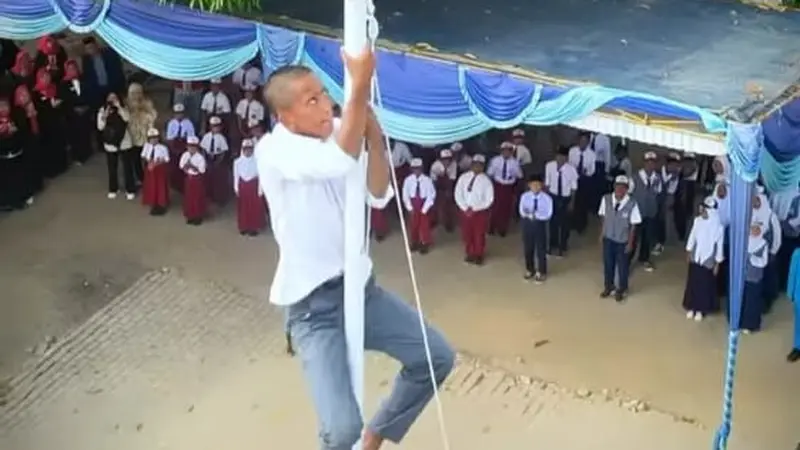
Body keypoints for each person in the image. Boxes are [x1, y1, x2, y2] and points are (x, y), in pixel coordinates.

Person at [254, 49, 454, 450]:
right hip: (315, 308)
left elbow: (377, 193)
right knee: (340, 428)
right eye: (311, 100)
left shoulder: (342, 130)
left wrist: (376, 144)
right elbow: (334, 161)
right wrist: (360, 85)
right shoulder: (275, 150)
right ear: (286, 117)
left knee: (436, 357)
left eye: (324, 92)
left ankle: (376, 435)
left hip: (362, 291)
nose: (326, 103)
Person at [599, 175, 642, 302]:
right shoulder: (606, 199)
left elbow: (633, 225)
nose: (619, 189)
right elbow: (602, 217)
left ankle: (621, 289)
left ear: (627, 189)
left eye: (623, 187)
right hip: (608, 238)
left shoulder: (632, 203)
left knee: (622, 266)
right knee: (608, 263)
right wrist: (601, 233)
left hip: (622, 240)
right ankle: (608, 286)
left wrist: (630, 242)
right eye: (617, 186)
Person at [682, 197, 725, 321]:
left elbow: (719, 246)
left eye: (705, 208)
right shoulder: (698, 221)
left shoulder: (718, 227)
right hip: (696, 256)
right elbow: (692, 236)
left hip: (708, 259)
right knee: (693, 283)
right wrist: (688, 251)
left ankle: (700, 309)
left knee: (704, 285)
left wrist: (717, 263)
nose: (702, 210)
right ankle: (691, 307)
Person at [454, 154, 493, 265]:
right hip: (465, 211)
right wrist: (464, 207)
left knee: (479, 233)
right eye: (475, 164)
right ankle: (470, 253)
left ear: (483, 167)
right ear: (471, 165)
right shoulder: (463, 178)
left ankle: (479, 254)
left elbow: (489, 199)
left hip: (479, 212)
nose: (477, 167)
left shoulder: (486, 181)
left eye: (480, 165)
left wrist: (475, 209)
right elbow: (458, 193)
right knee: (467, 233)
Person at [97, 92, 136, 200]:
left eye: (115, 97)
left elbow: (127, 119)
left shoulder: (123, 108)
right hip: (110, 143)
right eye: (110, 98)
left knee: (127, 167)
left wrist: (119, 107)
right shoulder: (102, 110)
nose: (112, 100)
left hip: (124, 141)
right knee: (112, 168)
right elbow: (100, 127)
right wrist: (104, 116)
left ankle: (130, 189)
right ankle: (113, 188)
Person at [33, 68, 69, 179]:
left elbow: (62, 101)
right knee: (49, 148)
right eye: (44, 77)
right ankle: (51, 170)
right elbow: (38, 108)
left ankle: (61, 166)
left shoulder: (54, 88)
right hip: (45, 125)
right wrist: (49, 104)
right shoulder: (35, 92)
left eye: (48, 76)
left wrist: (58, 104)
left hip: (56, 122)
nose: (46, 79)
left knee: (58, 145)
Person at [0, 97, 34, 210]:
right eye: (1, 106)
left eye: (6, 106)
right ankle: (10, 202)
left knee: (20, 177)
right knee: (7, 181)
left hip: (17, 153)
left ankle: (23, 197)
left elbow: (23, 134)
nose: (4, 109)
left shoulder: (15, 118)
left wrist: (15, 132)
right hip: (4, 157)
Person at [630, 151, 662, 272]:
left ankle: (644, 259)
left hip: (650, 213)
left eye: (653, 163)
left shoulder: (657, 178)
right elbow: (629, 195)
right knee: (633, 238)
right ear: (644, 163)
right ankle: (627, 260)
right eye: (648, 162)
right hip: (636, 214)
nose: (650, 165)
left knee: (647, 237)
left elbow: (658, 194)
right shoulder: (634, 177)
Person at [736, 218, 770, 333]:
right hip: (743, 277)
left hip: (755, 278)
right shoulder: (746, 241)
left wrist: (751, 258)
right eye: (753, 229)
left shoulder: (763, 244)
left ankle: (751, 325)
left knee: (752, 302)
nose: (754, 231)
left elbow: (764, 262)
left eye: (757, 229)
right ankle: (741, 322)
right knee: (743, 300)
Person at [519, 173, 553, 282]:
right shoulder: (525, 196)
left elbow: (548, 214)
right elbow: (521, 210)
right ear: (529, 185)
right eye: (533, 185)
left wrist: (536, 215)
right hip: (527, 223)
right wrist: (529, 215)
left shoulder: (547, 198)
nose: (536, 187)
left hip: (540, 224)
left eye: (538, 185)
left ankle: (542, 271)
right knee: (528, 248)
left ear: (542, 185)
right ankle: (530, 269)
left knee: (541, 248)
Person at [544, 146, 577, 256]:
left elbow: (573, 187)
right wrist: (547, 199)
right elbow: (547, 184)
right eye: (558, 156)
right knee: (552, 221)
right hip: (553, 196)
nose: (560, 159)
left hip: (565, 198)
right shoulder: (549, 166)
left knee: (564, 223)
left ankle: (563, 244)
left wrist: (572, 202)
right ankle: (553, 243)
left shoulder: (571, 169)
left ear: (566, 158)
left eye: (563, 157)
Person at [754, 187, 782, 314]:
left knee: (767, 278)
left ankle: (767, 302)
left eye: (757, 200)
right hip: (754, 254)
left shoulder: (771, 216)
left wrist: (773, 251)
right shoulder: (751, 214)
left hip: (769, 253)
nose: (755, 203)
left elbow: (777, 236)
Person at [80, 37, 126, 113]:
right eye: (87, 49)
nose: (90, 50)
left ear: (96, 45)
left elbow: (117, 70)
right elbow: (88, 78)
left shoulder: (109, 55)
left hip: (112, 87)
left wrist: (119, 87)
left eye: (91, 47)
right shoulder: (86, 61)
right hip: (98, 91)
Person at [486, 141, 523, 236]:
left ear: (511, 152)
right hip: (497, 185)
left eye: (508, 151)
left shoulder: (515, 162)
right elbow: (489, 173)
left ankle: (502, 228)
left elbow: (519, 175)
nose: (506, 153)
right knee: (495, 207)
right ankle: (491, 227)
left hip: (508, 187)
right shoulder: (495, 160)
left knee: (506, 209)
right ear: (501, 151)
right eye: (504, 151)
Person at [61, 60, 94, 165]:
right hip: (73, 114)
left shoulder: (85, 79)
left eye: (74, 68)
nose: (72, 70)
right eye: (70, 69)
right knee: (75, 136)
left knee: (86, 133)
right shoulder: (64, 84)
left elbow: (90, 94)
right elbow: (65, 100)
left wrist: (87, 107)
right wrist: (74, 109)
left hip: (85, 111)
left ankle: (87, 152)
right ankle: (78, 156)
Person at [13, 84, 42, 196]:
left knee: (36, 160)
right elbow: (21, 127)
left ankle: (38, 184)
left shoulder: (31, 104)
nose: (25, 96)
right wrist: (28, 114)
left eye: (26, 94)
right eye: (22, 95)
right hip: (25, 140)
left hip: (34, 137)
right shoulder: (17, 110)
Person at [402, 157, 436, 254]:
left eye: (418, 168)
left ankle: (424, 243)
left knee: (424, 225)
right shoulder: (408, 180)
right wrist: (409, 207)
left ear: (422, 168)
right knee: (413, 224)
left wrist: (425, 208)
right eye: (414, 168)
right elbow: (405, 194)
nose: (416, 170)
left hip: (423, 203)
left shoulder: (427, 180)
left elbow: (431, 195)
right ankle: (414, 242)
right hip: (413, 204)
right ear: (411, 169)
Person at [126, 82, 158, 185]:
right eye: (133, 93)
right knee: (135, 158)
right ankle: (140, 178)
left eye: (138, 92)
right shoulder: (126, 103)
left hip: (145, 133)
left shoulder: (147, 103)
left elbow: (153, 116)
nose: (136, 95)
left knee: (147, 156)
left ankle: (148, 176)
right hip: (132, 134)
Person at [233, 139, 266, 236]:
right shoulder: (237, 162)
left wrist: (260, 189)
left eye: (250, 149)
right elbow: (236, 176)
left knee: (254, 208)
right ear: (242, 150)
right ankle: (243, 226)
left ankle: (253, 227)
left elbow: (261, 176)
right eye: (245, 149)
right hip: (243, 186)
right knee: (243, 208)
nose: (248, 151)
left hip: (254, 185)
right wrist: (236, 188)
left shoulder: (258, 161)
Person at [568, 131, 597, 234]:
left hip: (585, 180)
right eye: (581, 141)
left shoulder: (592, 154)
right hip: (573, 178)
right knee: (573, 201)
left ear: (588, 142)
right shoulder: (572, 151)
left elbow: (592, 170)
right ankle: (572, 223)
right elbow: (569, 164)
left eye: (585, 141)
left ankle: (582, 226)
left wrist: (585, 172)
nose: (583, 143)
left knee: (583, 203)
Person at [200, 116, 231, 206]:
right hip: (208, 157)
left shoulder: (222, 138)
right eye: (213, 126)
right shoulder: (206, 136)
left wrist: (218, 161)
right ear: (210, 127)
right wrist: (205, 160)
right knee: (208, 178)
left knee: (219, 180)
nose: (215, 128)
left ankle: (219, 199)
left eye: (217, 126)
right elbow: (203, 149)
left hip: (218, 158)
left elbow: (223, 152)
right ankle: (209, 196)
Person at [165, 103, 196, 193]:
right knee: (174, 167)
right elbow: (169, 138)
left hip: (184, 146)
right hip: (174, 146)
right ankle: (175, 184)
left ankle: (184, 185)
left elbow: (191, 137)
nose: (179, 115)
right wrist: (173, 149)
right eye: (177, 113)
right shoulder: (171, 123)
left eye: (181, 113)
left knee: (185, 165)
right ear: (174, 114)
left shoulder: (188, 123)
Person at [140, 128, 170, 215]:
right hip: (150, 168)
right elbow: (143, 155)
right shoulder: (147, 146)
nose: (153, 140)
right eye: (151, 138)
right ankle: (152, 201)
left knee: (160, 186)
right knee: (151, 185)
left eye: (155, 138)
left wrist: (157, 162)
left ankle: (161, 202)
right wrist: (149, 161)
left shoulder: (163, 148)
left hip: (159, 169)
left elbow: (167, 159)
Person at [179, 135, 207, 225]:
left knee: (197, 197)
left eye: (193, 146)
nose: (191, 148)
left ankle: (198, 216)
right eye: (190, 146)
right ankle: (190, 215)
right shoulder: (185, 155)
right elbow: (181, 165)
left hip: (197, 179)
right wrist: (186, 167)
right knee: (189, 197)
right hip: (189, 178)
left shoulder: (200, 157)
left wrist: (192, 166)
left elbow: (202, 170)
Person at [429, 148, 457, 232]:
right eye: (444, 159)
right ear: (440, 159)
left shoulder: (453, 164)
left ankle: (449, 223)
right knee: (434, 205)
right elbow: (433, 181)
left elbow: (452, 179)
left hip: (447, 184)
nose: (447, 161)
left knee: (448, 205)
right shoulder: (435, 166)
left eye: (448, 159)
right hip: (436, 186)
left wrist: (449, 191)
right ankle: (433, 220)